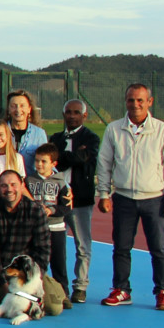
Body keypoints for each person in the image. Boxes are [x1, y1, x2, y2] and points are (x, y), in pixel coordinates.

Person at [96, 83, 164, 310]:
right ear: (126, 102)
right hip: (124, 198)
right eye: (131, 100)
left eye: (140, 100)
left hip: (155, 199)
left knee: (159, 248)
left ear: (149, 102)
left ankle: (163, 292)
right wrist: (104, 194)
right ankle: (122, 289)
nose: (135, 104)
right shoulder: (114, 129)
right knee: (121, 247)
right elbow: (104, 164)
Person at [0, 170, 57, 315]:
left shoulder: (36, 211)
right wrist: (3, 285)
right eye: (4, 186)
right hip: (0, 271)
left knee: (54, 308)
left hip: (27, 273)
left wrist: (34, 282)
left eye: (13, 184)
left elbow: (43, 250)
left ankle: (56, 290)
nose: (9, 189)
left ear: (22, 185)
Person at [49, 99, 100, 305]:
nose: (72, 116)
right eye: (68, 112)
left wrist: (64, 157)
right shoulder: (56, 138)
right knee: (54, 244)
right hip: (57, 201)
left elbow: (82, 159)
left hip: (80, 200)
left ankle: (80, 286)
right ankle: (55, 285)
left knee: (82, 244)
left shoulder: (92, 138)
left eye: (76, 112)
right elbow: (53, 160)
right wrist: (70, 157)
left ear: (84, 116)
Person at [26, 144, 73, 296]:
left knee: (59, 263)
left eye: (44, 161)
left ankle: (63, 294)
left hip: (56, 229)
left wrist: (51, 210)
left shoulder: (61, 182)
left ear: (54, 164)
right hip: (35, 230)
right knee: (36, 262)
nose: (39, 164)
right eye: (37, 160)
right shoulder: (28, 181)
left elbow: (66, 206)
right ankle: (34, 293)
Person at [3, 90, 48, 175]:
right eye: (13, 106)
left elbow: (47, 162)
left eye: (22, 106)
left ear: (29, 109)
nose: (18, 110)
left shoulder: (39, 134)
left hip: (30, 184)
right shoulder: (0, 131)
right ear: (8, 109)